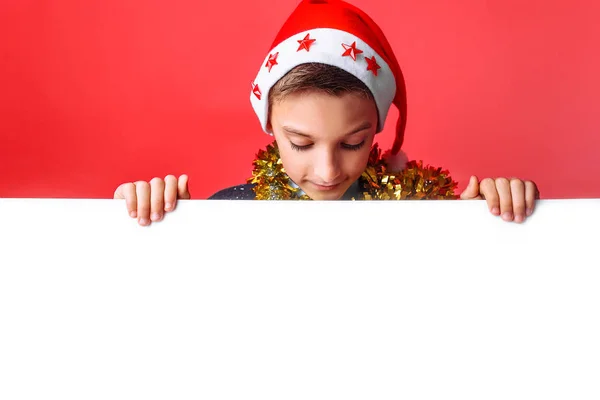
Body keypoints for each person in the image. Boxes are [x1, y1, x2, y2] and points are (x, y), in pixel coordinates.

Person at [114, 0, 539, 225]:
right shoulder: (231, 212)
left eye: (353, 143)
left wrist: (492, 221)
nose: (328, 170)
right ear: (270, 128)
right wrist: (170, 228)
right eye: (300, 143)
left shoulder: (425, 211)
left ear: (376, 131)